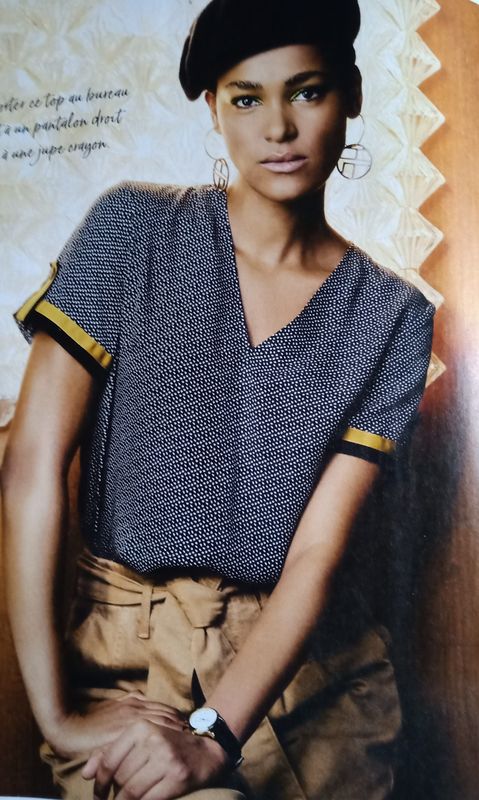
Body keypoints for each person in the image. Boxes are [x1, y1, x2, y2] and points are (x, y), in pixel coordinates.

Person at [1, 0, 436, 798]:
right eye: (245, 98)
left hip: (311, 685)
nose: (277, 127)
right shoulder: (130, 231)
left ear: (351, 94)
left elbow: (314, 554)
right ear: (213, 108)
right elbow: (30, 465)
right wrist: (56, 715)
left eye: (306, 91)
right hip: (130, 665)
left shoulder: (393, 317)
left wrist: (215, 736)